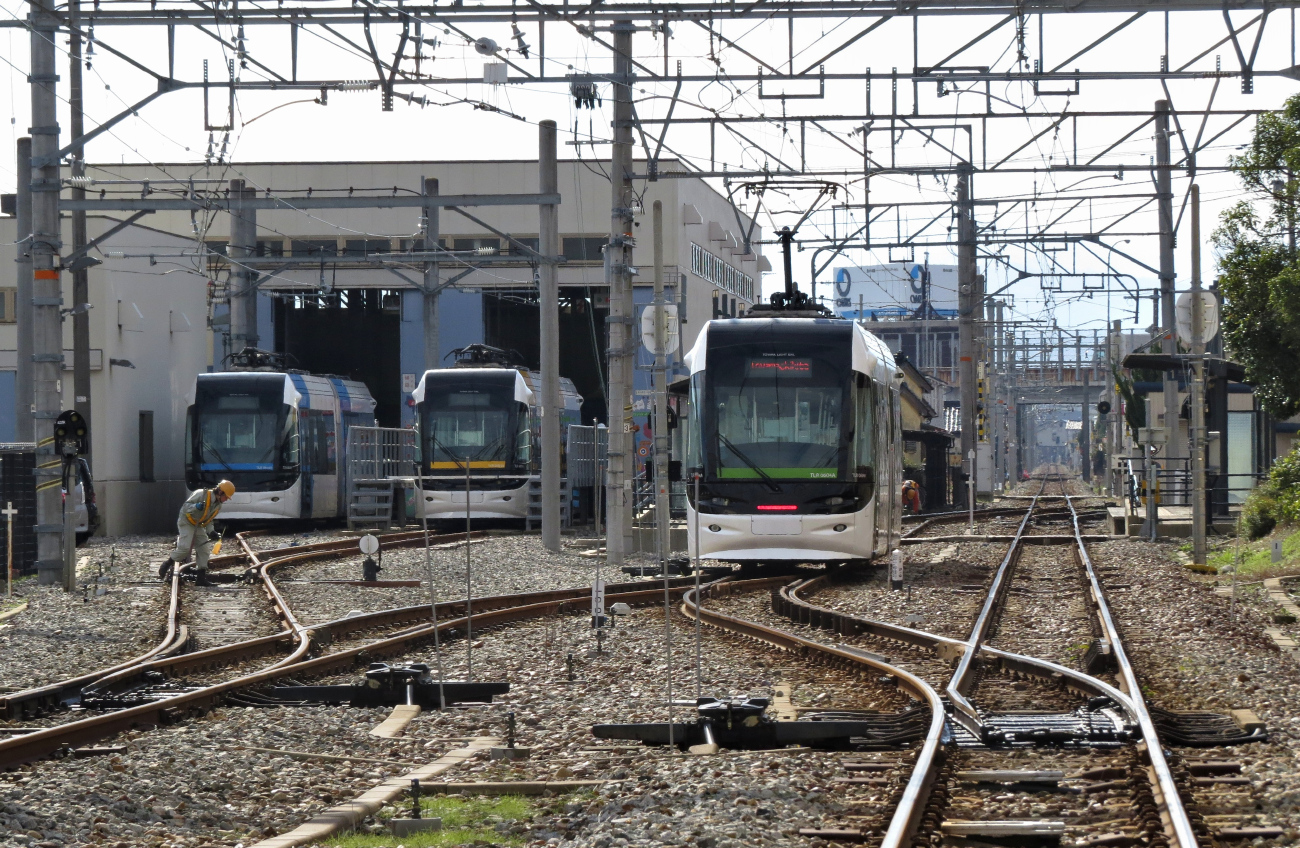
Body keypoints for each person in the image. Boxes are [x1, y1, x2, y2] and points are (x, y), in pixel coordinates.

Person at [160, 480, 234, 585]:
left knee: (204, 550)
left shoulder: (218, 505)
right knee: (184, 548)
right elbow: (185, 508)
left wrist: (211, 531)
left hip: (198, 524)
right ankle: (167, 563)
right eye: (226, 497)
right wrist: (196, 507)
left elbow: (209, 520)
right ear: (220, 492)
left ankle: (201, 578)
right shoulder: (200, 494)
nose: (226, 499)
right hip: (186, 521)